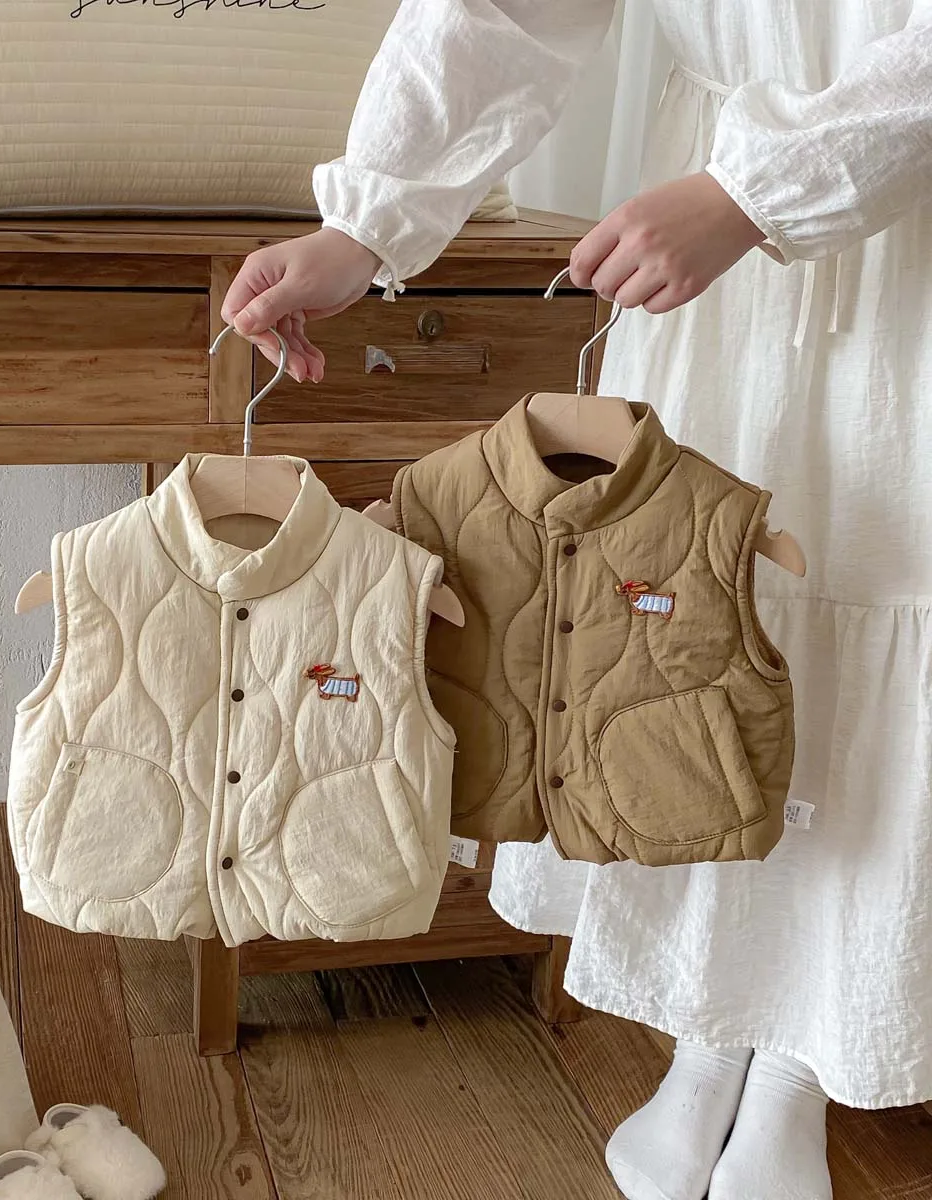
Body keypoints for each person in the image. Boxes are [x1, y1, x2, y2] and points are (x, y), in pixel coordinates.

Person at [221, 4, 932, 1200]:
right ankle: (711, 1035)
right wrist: (366, 222)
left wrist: (756, 193)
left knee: (883, 574)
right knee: (689, 619)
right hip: (708, 227)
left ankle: (802, 1062)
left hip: (901, 196)